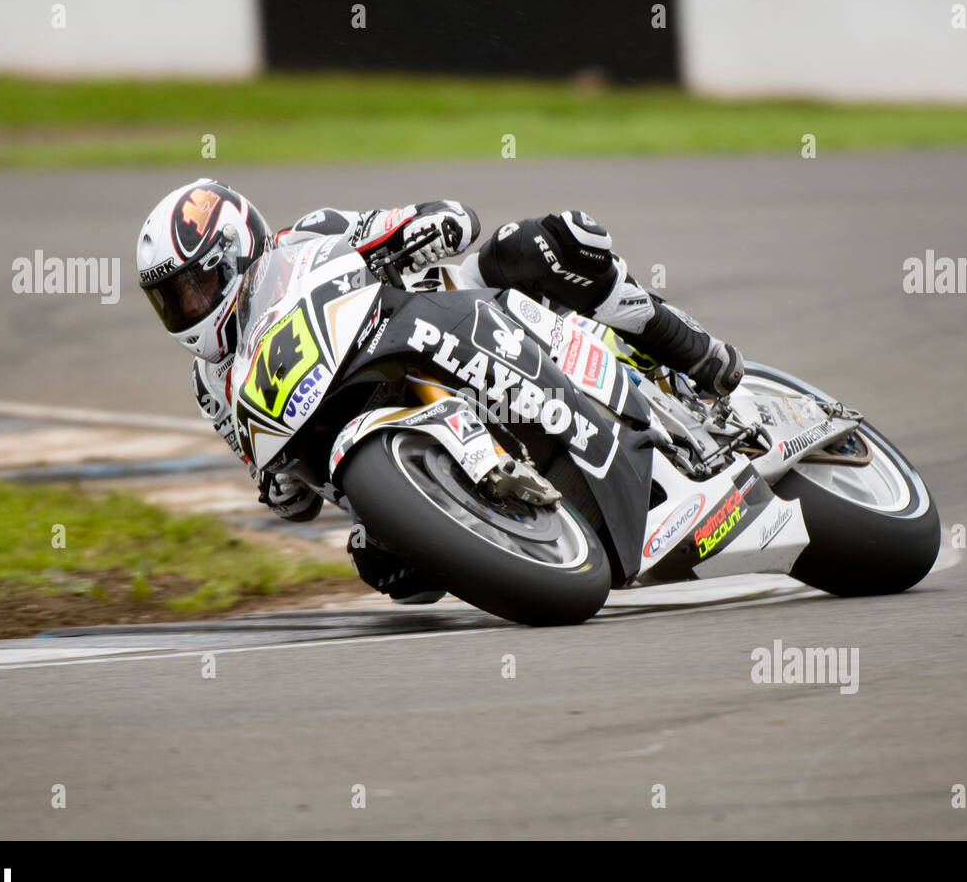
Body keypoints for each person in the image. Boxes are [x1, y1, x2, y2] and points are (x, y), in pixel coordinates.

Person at [135, 179, 744, 594]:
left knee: (554, 242)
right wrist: (279, 487)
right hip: (365, 431)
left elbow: (425, 221)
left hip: (440, 321)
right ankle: (509, 536)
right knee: (385, 573)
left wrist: (427, 226)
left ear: (236, 253)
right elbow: (284, 488)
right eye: (170, 299)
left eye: (195, 286)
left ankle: (690, 348)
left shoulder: (308, 239)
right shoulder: (209, 384)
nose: (186, 309)